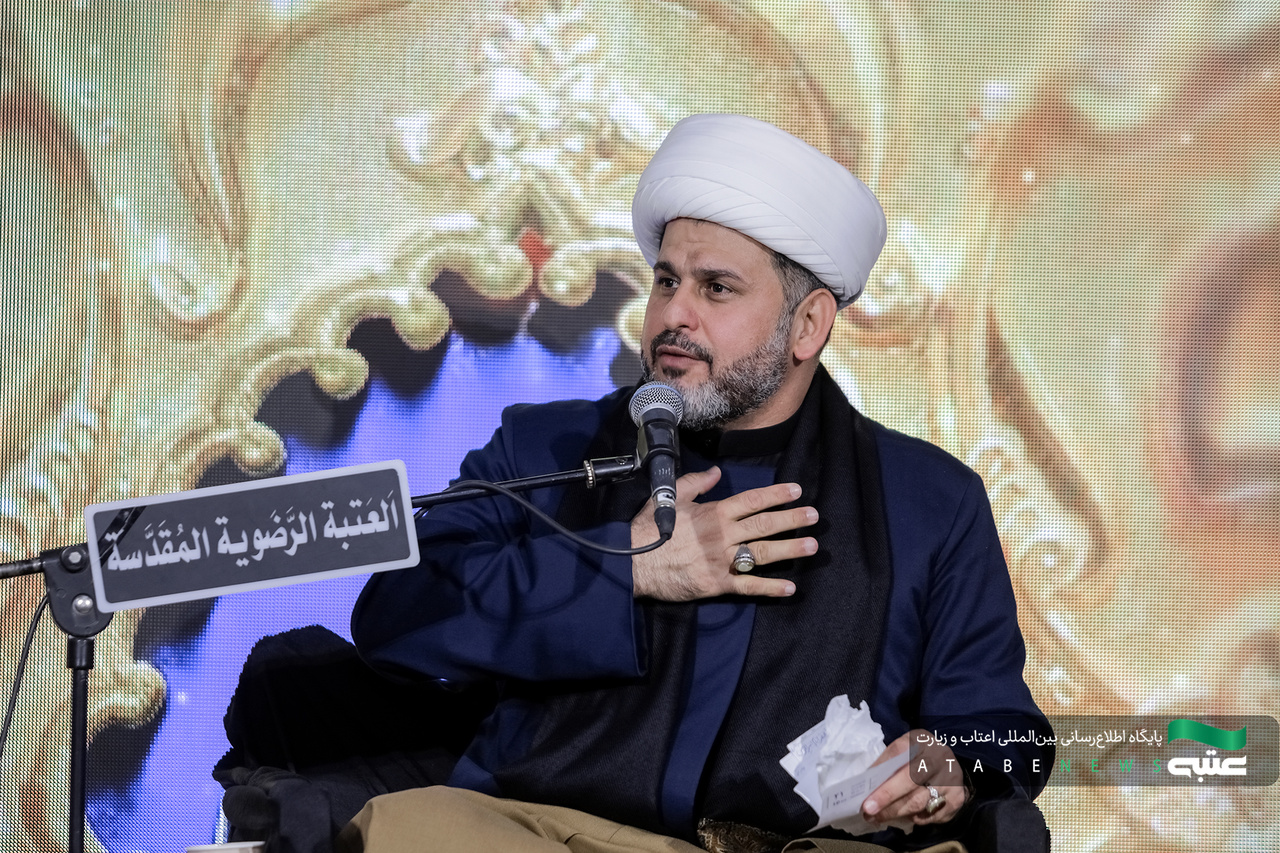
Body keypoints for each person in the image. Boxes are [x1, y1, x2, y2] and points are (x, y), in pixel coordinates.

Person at [339, 114, 1052, 853]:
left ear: (808, 325)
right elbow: (398, 615)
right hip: (548, 832)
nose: (673, 315)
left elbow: (1014, 736)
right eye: (666, 281)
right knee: (406, 830)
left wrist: (950, 760)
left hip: (795, 849)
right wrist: (626, 569)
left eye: (716, 288)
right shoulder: (546, 446)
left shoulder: (930, 501)